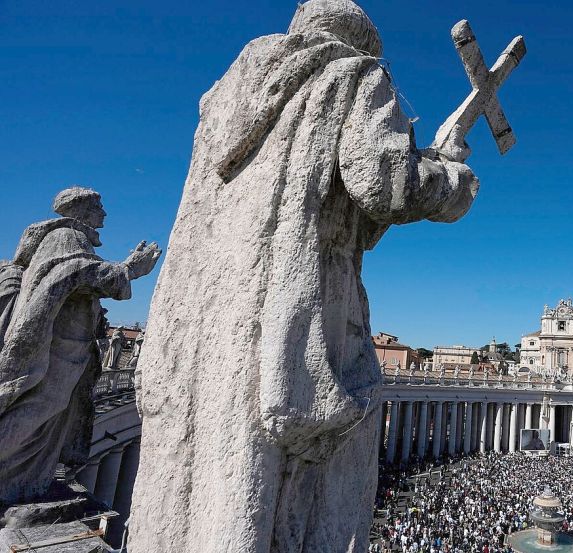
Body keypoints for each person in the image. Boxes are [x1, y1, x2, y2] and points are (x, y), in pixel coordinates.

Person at [128, 1, 479, 551]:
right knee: (285, 492)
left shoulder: (226, 96)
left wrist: (429, 152)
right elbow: (384, 184)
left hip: (202, 313)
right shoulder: (355, 72)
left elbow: (348, 213)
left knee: (201, 474)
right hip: (293, 308)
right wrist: (452, 178)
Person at [0, 187, 159, 505]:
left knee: (46, 413)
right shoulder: (66, 235)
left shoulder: (72, 237)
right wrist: (129, 270)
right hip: (58, 350)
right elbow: (72, 273)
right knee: (37, 409)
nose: (104, 213)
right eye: (98, 205)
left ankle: (26, 480)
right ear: (80, 209)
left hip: (67, 347)